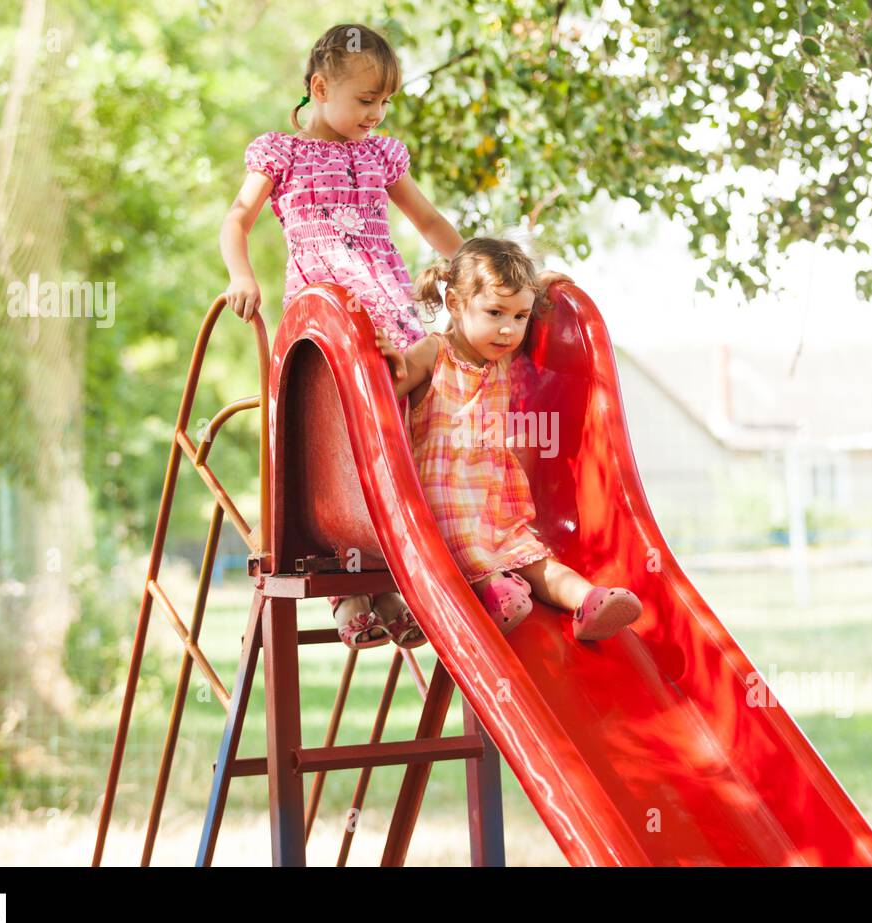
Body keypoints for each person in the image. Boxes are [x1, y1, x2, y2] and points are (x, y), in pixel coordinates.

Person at [218, 23, 461, 650]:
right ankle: (350, 589)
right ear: (320, 88)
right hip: (326, 323)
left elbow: (429, 220)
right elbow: (237, 220)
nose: (376, 115)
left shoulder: (380, 156)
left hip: (388, 309)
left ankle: (397, 581)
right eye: (364, 100)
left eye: (385, 104)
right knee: (340, 448)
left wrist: (475, 271)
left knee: (411, 421)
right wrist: (240, 275)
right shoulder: (283, 154)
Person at [375, 237, 644, 641]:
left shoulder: (498, 356)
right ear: (454, 304)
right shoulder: (434, 353)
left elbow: (533, 324)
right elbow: (382, 391)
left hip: (494, 497)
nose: (508, 328)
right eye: (495, 312)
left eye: (520, 317)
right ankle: (497, 590)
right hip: (445, 496)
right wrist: (380, 358)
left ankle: (589, 601)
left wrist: (545, 287)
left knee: (534, 559)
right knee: (469, 555)